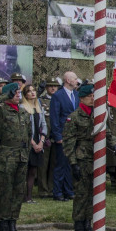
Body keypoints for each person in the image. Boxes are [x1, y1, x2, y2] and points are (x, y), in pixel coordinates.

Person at [64, 84, 116, 231]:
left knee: (92, 195)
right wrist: (73, 163)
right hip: (82, 159)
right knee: (81, 195)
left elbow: (106, 131)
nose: (93, 98)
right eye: (90, 96)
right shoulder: (74, 117)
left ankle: (88, 224)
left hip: (96, 159)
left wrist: (114, 144)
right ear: (82, 98)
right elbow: (69, 142)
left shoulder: (98, 114)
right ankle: (79, 226)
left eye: (94, 96)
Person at [0, 82, 31, 231]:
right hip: (7, 154)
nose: (19, 95)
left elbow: (29, 133)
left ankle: (13, 226)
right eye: (15, 93)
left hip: (21, 154)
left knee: (18, 191)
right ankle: (3, 228)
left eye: (19, 92)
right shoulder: (0, 110)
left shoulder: (24, 112)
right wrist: (5, 95)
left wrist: (27, 153)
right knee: (5, 191)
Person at [49, 70, 80, 201]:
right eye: (75, 78)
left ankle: (68, 190)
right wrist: (58, 136)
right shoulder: (58, 96)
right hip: (63, 135)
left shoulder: (76, 95)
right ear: (68, 80)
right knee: (61, 165)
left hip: (74, 135)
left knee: (70, 164)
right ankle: (57, 192)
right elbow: (54, 118)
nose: (77, 81)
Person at [20, 84, 47, 203]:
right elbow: (24, 129)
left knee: (33, 171)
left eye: (34, 90)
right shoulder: (22, 108)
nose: (32, 93)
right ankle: (21, 196)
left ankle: (29, 197)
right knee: (24, 171)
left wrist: (41, 142)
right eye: (29, 91)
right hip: (27, 144)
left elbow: (44, 125)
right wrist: (33, 144)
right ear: (25, 94)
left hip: (38, 141)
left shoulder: (38, 107)